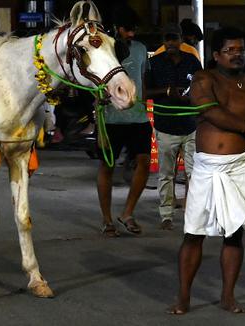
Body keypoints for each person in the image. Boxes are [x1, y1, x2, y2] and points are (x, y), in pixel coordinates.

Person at [167, 27, 245, 315]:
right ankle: (183, 297)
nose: (237, 54)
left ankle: (228, 297)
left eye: (241, 50)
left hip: (242, 166)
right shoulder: (204, 79)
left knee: (234, 235)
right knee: (194, 233)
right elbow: (210, 111)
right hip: (209, 167)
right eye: (230, 50)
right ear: (216, 54)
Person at [97, 13, 151, 237]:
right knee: (106, 167)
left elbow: (143, 79)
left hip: (138, 118)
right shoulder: (103, 49)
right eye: (127, 28)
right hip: (111, 119)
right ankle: (107, 220)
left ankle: (127, 213)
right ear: (117, 28)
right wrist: (97, 103)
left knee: (144, 162)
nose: (131, 33)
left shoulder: (140, 49)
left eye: (134, 29)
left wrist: (146, 108)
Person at [146, 24, 202, 231]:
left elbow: (202, 86)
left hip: (190, 126)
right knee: (166, 174)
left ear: (180, 40)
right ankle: (166, 215)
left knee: (194, 174)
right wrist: (167, 91)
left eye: (174, 38)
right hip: (166, 126)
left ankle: (193, 214)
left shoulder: (192, 61)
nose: (170, 42)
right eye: (167, 38)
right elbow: (145, 92)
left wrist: (191, 96)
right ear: (163, 40)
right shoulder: (155, 63)